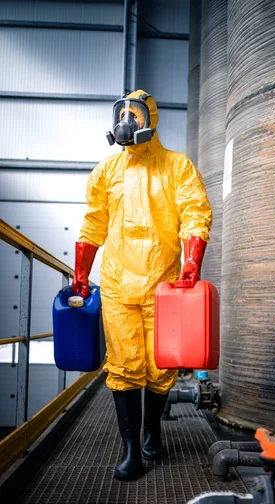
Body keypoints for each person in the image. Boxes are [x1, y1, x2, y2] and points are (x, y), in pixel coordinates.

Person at [72, 90, 212, 481]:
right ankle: (131, 449)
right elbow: (93, 224)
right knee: (125, 366)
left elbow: (194, 214)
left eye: (134, 115)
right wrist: (81, 273)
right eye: (123, 115)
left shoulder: (176, 166)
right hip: (118, 285)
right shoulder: (106, 172)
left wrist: (190, 261)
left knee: (159, 366)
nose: (126, 123)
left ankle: (153, 430)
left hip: (163, 286)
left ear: (149, 118)